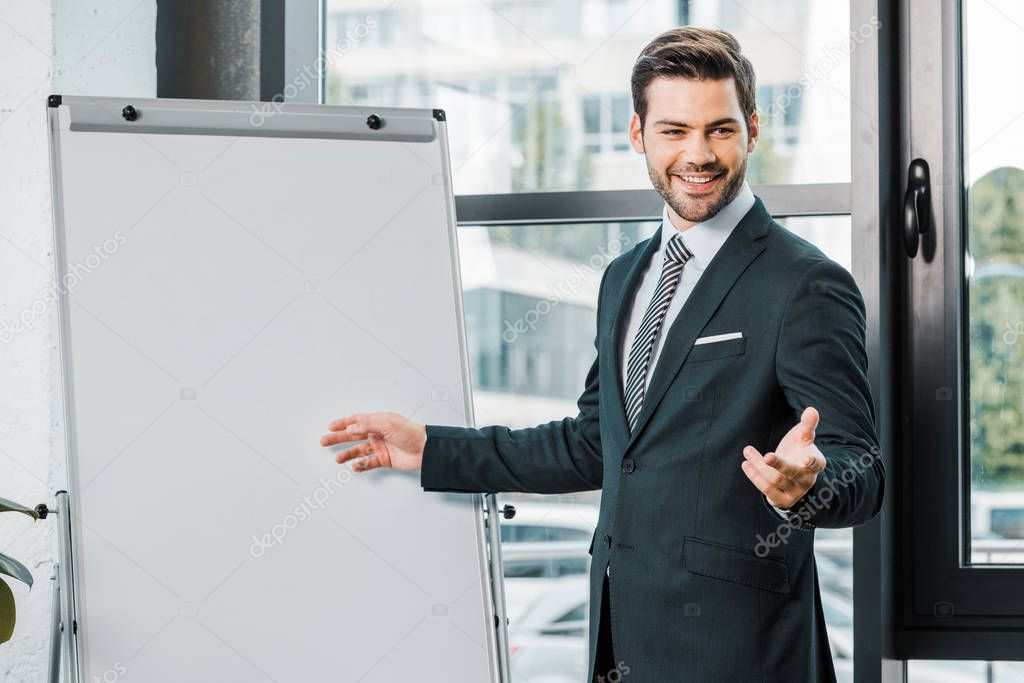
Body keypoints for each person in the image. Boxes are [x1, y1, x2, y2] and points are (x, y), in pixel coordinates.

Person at [319, 26, 883, 683]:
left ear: (753, 130)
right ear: (638, 134)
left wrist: (807, 486)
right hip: (621, 638)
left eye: (720, 130)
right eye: (674, 131)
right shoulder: (624, 278)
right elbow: (597, 443)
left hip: (743, 653)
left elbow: (861, 467)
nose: (697, 154)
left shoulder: (803, 282)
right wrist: (430, 448)